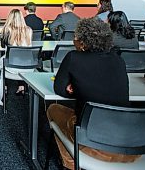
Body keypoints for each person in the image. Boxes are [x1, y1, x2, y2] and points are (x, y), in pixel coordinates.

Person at [47, 17, 138, 169]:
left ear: (82, 42)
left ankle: (71, 162)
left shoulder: (73, 57)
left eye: (75, 38)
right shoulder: (117, 60)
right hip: (127, 138)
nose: (73, 41)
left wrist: (77, 89)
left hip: (90, 133)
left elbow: (59, 90)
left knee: (53, 109)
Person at [0, 9, 33, 103]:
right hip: (28, 66)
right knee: (20, 60)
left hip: (11, 66)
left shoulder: (7, 30)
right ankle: (21, 87)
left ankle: (4, 87)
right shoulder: (29, 30)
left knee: (0, 64)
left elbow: (3, 46)